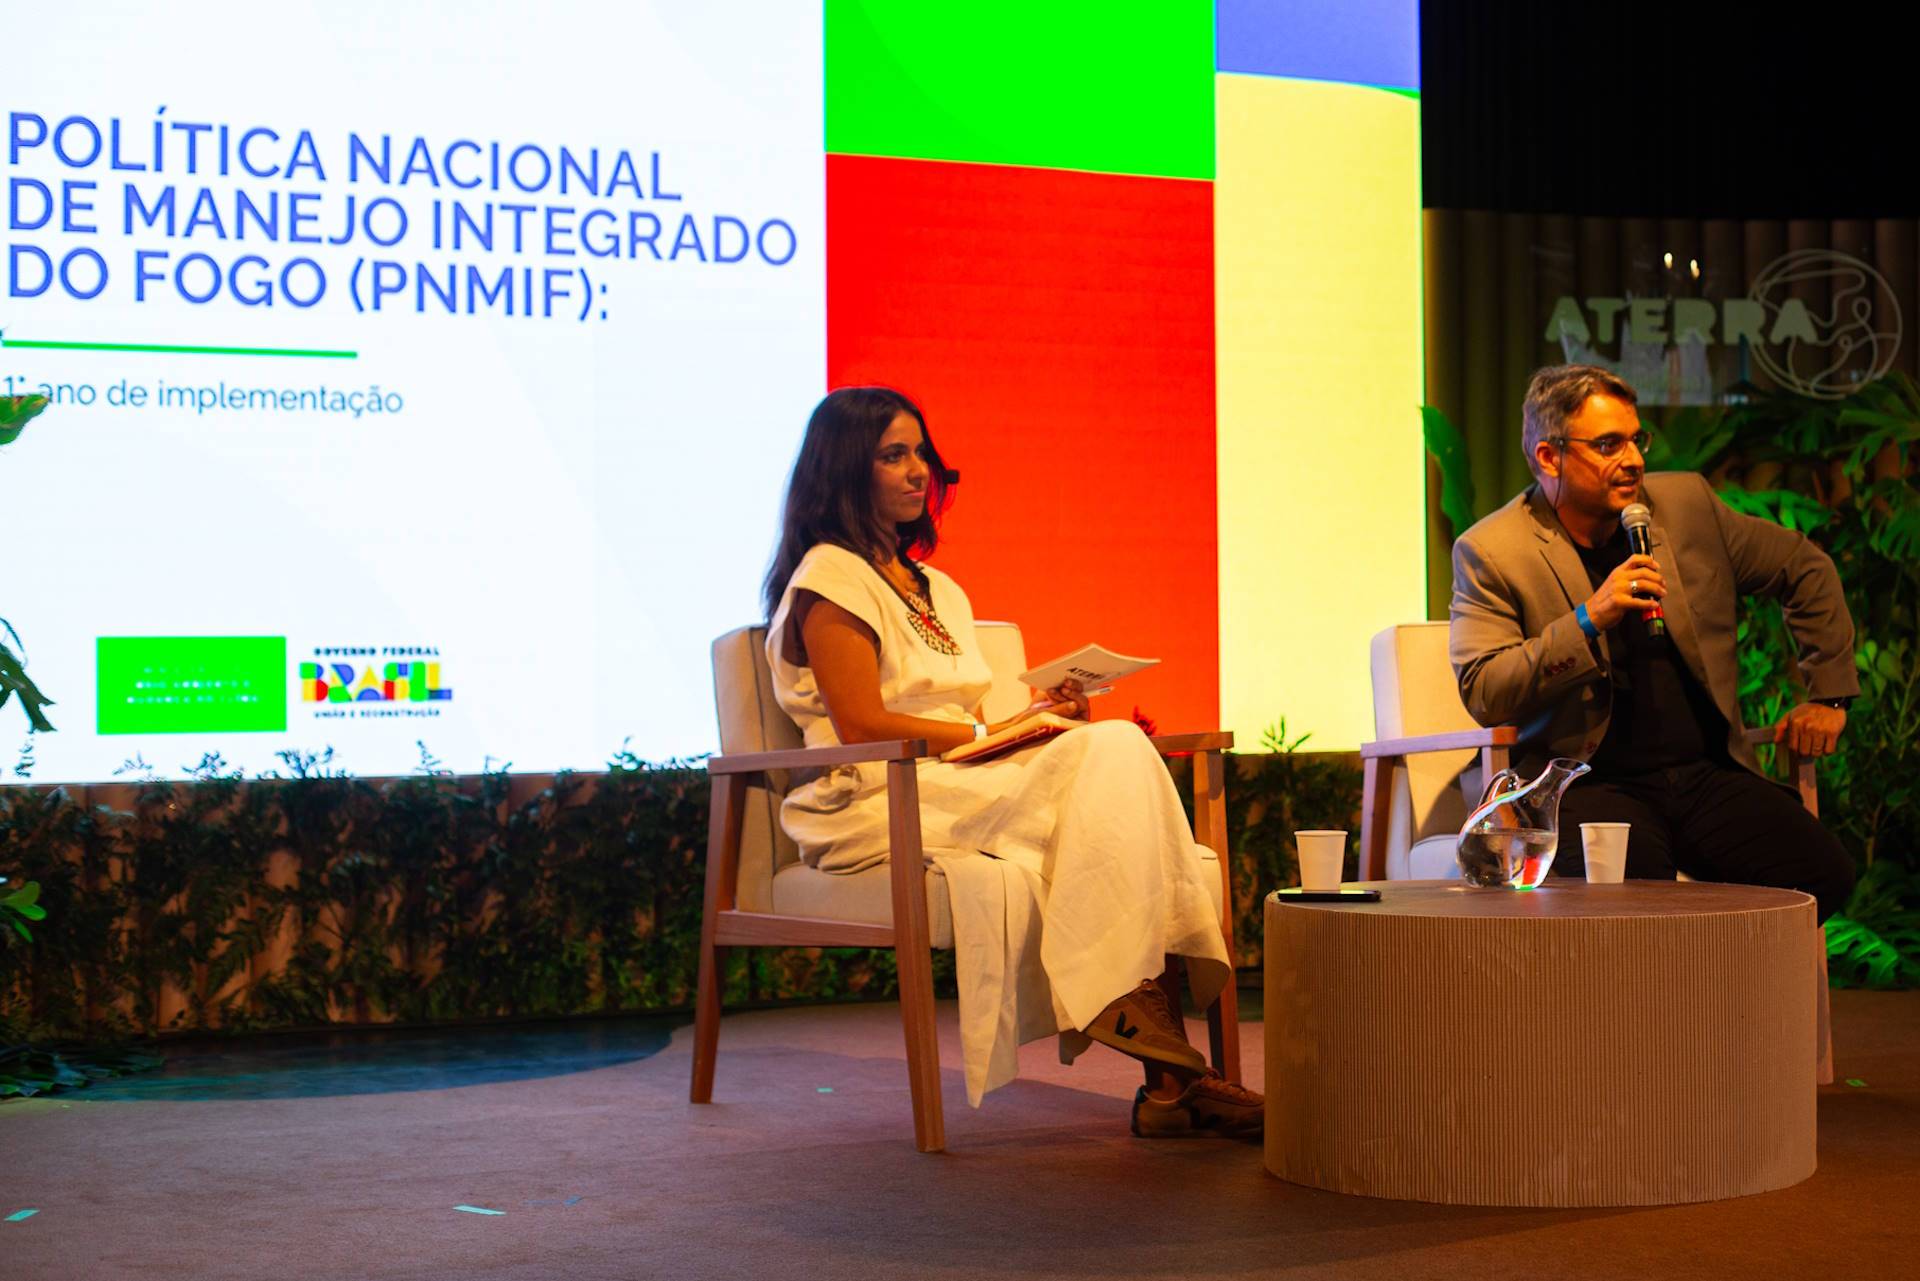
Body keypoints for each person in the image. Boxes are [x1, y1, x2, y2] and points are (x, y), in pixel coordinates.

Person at [761, 386, 1261, 1137]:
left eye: (921, 452)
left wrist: (1033, 718)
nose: (918, 470)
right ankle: (1157, 1058)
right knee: (1113, 760)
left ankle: (1160, 1067)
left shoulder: (940, 589)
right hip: (879, 791)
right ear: (844, 469)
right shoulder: (829, 576)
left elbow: (967, 719)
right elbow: (862, 721)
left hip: (958, 775)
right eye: (893, 455)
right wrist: (988, 733)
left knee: (1109, 749)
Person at [1449, 364, 1857, 919]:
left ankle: (1727, 980)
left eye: (1636, 440)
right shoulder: (1495, 551)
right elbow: (1485, 690)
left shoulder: (1686, 507)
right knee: (1640, 900)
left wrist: (1828, 694)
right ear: (1549, 457)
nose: (1634, 460)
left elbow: (1803, 567)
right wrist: (1589, 618)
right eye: (1608, 445)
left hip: (1704, 775)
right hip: (1585, 783)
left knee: (1822, 872)